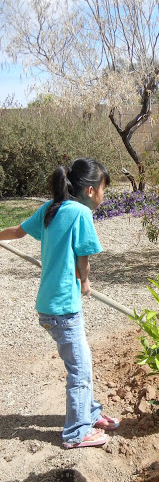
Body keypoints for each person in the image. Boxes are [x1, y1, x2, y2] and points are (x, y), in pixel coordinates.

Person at [0, 158, 120, 449]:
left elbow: (17, 231)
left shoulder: (51, 209)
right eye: (103, 188)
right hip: (64, 308)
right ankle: (76, 432)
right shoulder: (80, 213)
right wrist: (85, 282)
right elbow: (84, 257)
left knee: (83, 362)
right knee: (79, 369)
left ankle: (89, 412)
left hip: (48, 306)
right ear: (91, 190)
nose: (104, 195)